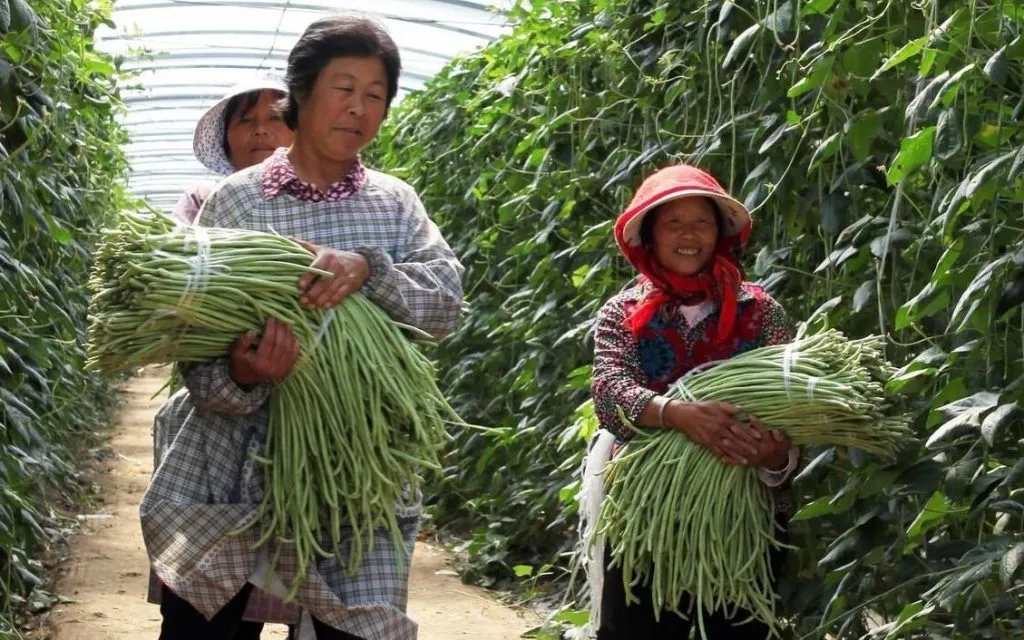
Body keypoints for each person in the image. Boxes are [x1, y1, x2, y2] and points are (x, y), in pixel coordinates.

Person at [140, 15, 464, 640]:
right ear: (302, 95)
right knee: (209, 627)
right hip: (234, 465)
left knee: (352, 630)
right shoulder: (238, 200)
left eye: (376, 95)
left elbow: (445, 303)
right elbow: (195, 350)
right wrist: (243, 372)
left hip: (353, 465)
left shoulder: (394, 203)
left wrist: (370, 268)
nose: (358, 109)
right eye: (344, 88)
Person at [585, 164, 801, 639]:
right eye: (673, 223)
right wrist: (678, 415)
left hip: (743, 517)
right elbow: (608, 392)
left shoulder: (761, 313)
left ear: (720, 234)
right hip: (644, 516)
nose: (689, 235)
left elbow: (794, 411)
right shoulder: (622, 313)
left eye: (701, 222)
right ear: (650, 237)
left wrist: (773, 457)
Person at [147, 75, 301, 640]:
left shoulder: (339, 209)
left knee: (307, 600)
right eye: (245, 119)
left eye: (276, 115)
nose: (260, 127)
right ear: (229, 140)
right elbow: (185, 313)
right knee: (207, 606)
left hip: (309, 436)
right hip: (216, 426)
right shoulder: (201, 204)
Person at [171, 75, 294, 224]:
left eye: (275, 118)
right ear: (226, 139)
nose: (260, 129)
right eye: (246, 120)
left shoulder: (316, 195)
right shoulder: (202, 197)